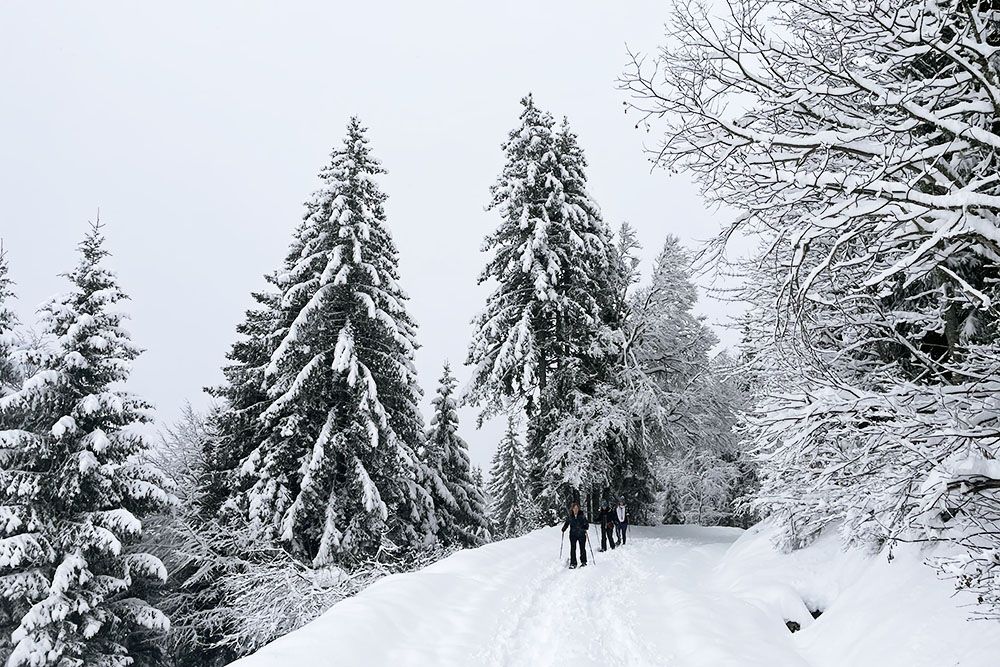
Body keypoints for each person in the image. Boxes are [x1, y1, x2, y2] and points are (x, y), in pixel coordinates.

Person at [561, 501, 589, 568]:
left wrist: (585, 527)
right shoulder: (570, 516)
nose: (576, 509)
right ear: (572, 509)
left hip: (581, 534)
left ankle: (584, 562)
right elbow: (566, 523)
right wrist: (564, 528)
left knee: (582, 548)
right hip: (573, 534)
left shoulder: (582, 516)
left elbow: (587, 525)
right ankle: (573, 563)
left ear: (579, 509)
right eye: (574, 508)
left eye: (577, 508)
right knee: (573, 548)